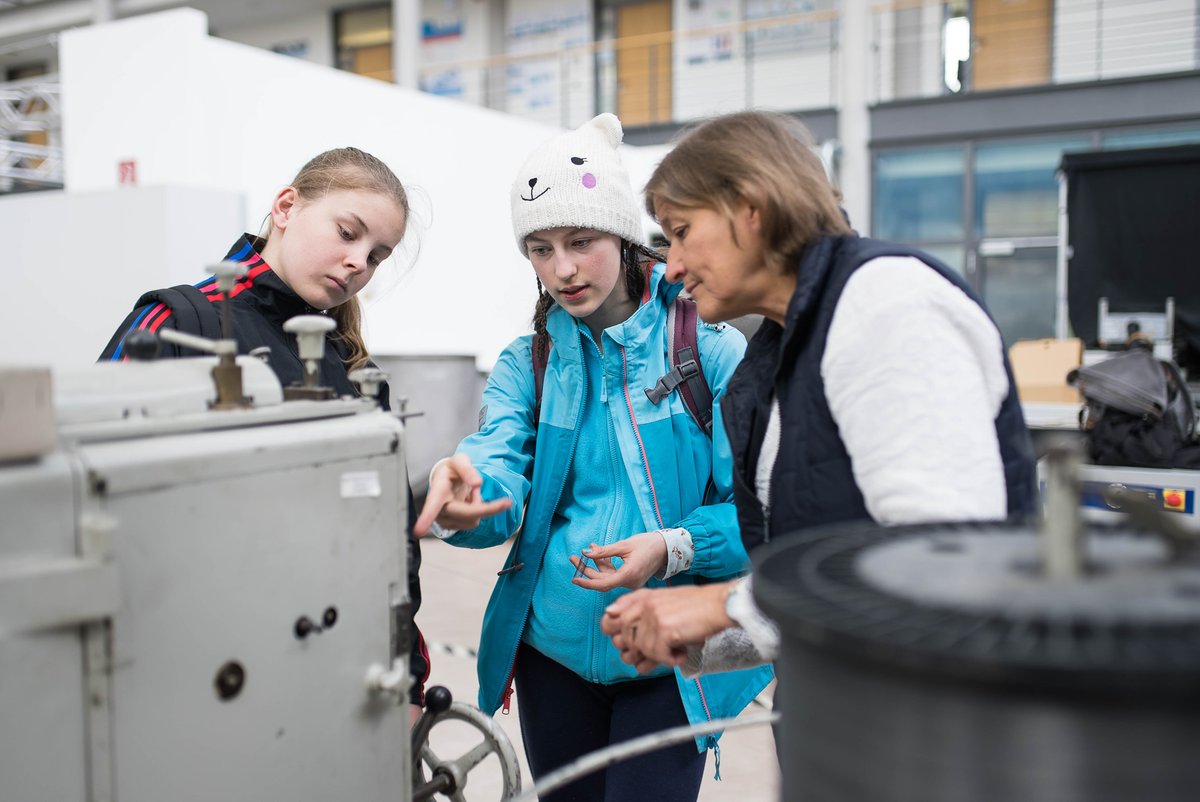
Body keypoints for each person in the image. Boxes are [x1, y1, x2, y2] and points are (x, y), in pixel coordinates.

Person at [600, 110, 1037, 677]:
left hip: (935, 732)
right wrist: (706, 636)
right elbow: (826, 589)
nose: (672, 265)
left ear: (750, 207)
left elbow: (939, 557)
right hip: (847, 715)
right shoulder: (790, 345)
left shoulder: (887, 305)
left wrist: (718, 603)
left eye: (681, 232)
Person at [413, 113, 773, 802]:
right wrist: (470, 495)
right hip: (552, 657)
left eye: (581, 241)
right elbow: (497, 467)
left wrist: (669, 548)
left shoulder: (711, 354)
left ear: (627, 237)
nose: (563, 270)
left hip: (670, 659)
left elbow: (759, 514)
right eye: (541, 249)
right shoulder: (532, 361)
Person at [100, 147, 431, 721]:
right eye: (347, 233)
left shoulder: (344, 359)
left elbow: (388, 535)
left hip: (334, 661)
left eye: (376, 255)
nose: (357, 263)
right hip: (208, 666)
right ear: (285, 207)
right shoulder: (181, 322)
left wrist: (408, 674)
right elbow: (100, 496)